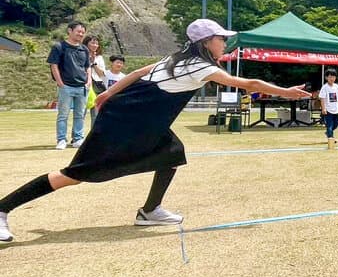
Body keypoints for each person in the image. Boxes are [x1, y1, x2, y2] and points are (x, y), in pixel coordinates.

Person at [0, 19, 311, 244]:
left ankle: (149, 211)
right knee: (75, 174)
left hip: (143, 122)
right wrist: (286, 91)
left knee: (172, 154)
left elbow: (136, 73)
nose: (225, 43)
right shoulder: (201, 67)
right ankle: (2, 209)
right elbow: (251, 85)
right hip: (125, 124)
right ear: (206, 43)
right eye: (220, 38)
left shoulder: (176, 59)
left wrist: (108, 94)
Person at [47, 21, 91, 150]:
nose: (81, 34)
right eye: (78, 31)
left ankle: (78, 138)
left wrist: (88, 81)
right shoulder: (59, 47)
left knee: (80, 114)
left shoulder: (84, 49)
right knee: (63, 115)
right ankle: (61, 140)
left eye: (83, 32)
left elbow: (87, 67)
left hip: (82, 86)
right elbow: (53, 65)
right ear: (69, 31)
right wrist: (60, 82)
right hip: (66, 86)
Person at [84, 34, 107, 128]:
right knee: (82, 112)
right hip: (85, 84)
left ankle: (93, 136)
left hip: (98, 85)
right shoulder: (81, 54)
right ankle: (76, 136)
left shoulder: (99, 58)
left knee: (96, 113)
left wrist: (94, 63)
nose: (95, 45)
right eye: (92, 42)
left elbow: (102, 74)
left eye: (97, 43)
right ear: (86, 43)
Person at [319, 68, 338, 141]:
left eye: (333, 77)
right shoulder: (324, 87)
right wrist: (323, 108)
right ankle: (331, 138)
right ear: (326, 78)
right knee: (329, 125)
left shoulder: (336, 86)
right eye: (330, 77)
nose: (332, 78)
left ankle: (328, 133)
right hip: (328, 110)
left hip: (336, 109)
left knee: (336, 124)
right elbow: (322, 98)